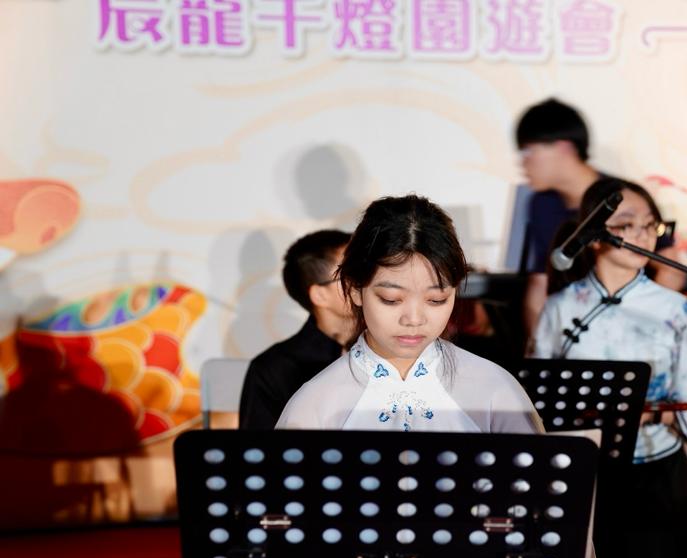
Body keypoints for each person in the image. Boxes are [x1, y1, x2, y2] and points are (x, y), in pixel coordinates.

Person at [531, 177, 687, 558]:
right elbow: (534, 395)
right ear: (593, 236)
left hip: (656, 467)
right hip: (582, 471)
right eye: (628, 224)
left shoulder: (673, 308)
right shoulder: (561, 307)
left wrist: (651, 413)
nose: (643, 235)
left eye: (650, 224)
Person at [277, 195, 543, 434]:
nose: (414, 319)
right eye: (391, 300)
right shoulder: (316, 403)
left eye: (436, 300)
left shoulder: (495, 389)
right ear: (355, 289)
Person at [238, 229, 356, 429]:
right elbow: (257, 446)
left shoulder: (396, 350)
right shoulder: (274, 369)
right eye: (353, 273)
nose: (369, 280)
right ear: (320, 295)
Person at [514, 98, 601, 338]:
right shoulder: (541, 204)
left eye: (529, 151)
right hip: (567, 333)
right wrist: (539, 349)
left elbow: (670, 268)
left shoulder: (620, 197)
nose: (523, 162)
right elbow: (540, 282)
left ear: (564, 148)